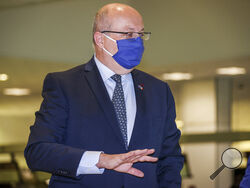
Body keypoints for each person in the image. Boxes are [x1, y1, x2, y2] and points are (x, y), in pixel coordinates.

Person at [24, 3, 184, 188]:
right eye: (128, 34)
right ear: (100, 39)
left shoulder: (158, 90)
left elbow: (170, 159)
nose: (137, 41)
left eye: (141, 34)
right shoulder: (64, 85)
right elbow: (38, 152)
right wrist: (100, 160)